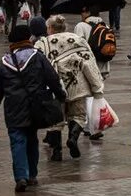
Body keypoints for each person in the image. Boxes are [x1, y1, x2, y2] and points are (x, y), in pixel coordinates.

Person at [0, 20, 65, 193]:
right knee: (32, 139)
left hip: (13, 109)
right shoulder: (37, 56)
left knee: (17, 141)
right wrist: (60, 95)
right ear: (28, 39)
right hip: (35, 106)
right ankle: (32, 175)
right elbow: (52, 78)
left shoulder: (4, 63)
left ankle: (21, 176)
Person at [41, 16, 107, 160]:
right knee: (78, 115)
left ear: (51, 28)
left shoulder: (43, 43)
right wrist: (97, 87)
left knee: (55, 119)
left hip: (55, 87)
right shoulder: (78, 40)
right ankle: (73, 138)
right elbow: (89, 63)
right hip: (78, 86)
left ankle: (57, 151)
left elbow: (38, 65)